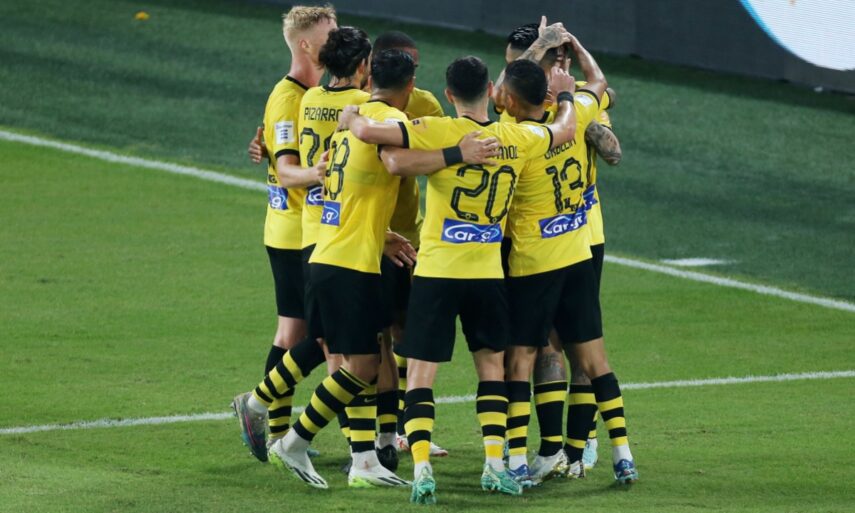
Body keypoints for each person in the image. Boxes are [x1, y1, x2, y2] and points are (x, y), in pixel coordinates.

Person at [338, 46, 578, 503]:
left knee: (420, 375)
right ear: (490, 90)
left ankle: (422, 468)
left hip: (437, 272)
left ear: (448, 95)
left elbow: (380, 143)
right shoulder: (518, 136)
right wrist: (565, 95)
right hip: (487, 273)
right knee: (491, 369)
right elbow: (564, 130)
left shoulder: (436, 129)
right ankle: (494, 466)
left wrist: (352, 117)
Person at [268, 48, 499, 490]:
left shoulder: (349, 121)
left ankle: (364, 461)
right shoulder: (382, 119)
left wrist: (383, 233)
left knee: (364, 358)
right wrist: (460, 152)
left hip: (336, 250)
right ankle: (292, 438)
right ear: (410, 86)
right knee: (360, 365)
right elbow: (395, 162)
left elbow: (351, 187)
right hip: (349, 261)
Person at [502, 31, 639, 485]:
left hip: (534, 259)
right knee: (593, 356)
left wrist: (538, 59)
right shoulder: (577, 108)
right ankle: (620, 454)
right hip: (578, 246)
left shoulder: (518, 133)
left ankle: (528, 457)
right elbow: (599, 85)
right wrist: (578, 55)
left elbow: (501, 96)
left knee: (525, 355)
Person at [233, 4, 337, 463]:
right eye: (330, 35)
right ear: (306, 44)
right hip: (293, 232)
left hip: (306, 228)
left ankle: (274, 429)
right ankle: (264, 416)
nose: (337, 41)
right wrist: (325, 173)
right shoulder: (288, 97)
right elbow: (289, 170)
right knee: (307, 333)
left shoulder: (314, 94)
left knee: (297, 332)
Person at [369, 30, 449, 467]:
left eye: (415, 65)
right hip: (367, 240)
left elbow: (443, 155)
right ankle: (371, 436)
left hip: (407, 238)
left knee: (407, 331)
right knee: (371, 339)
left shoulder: (425, 104)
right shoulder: (359, 108)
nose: (412, 73)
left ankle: (404, 429)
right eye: (406, 65)